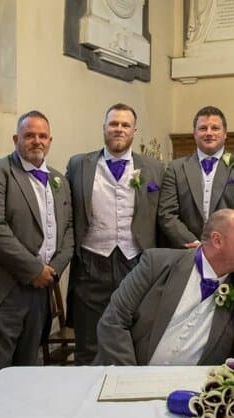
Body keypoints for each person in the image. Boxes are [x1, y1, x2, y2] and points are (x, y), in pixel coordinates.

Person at [0, 110, 74, 390]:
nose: (36, 141)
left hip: (40, 292)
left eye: (42, 136)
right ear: (16, 139)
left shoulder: (60, 180)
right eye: (29, 135)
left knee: (25, 377)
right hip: (1, 293)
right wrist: (33, 269)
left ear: (50, 141)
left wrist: (53, 271)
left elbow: (69, 230)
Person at [65, 103, 164, 365]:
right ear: (104, 128)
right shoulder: (79, 165)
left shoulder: (154, 168)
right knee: (88, 342)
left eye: (125, 125)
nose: (119, 129)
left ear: (134, 131)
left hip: (136, 261)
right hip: (91, 261)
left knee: (134, 334)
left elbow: (162, 217)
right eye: (113, 124)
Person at [94, 209, 234, 366]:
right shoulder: (156, 263)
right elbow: (113, 321)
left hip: (193, 388)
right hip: (126, 377)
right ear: (217, 240)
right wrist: (132, 379)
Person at [158, 106, 234, 249]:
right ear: (194, 134)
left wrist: (217, 244)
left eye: (215, 128)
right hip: (186, 252)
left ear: (225, 134)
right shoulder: (175, 168)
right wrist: (194, 244)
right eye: (203, 128)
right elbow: (167, 214)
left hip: (229, 251)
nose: (209, 133)